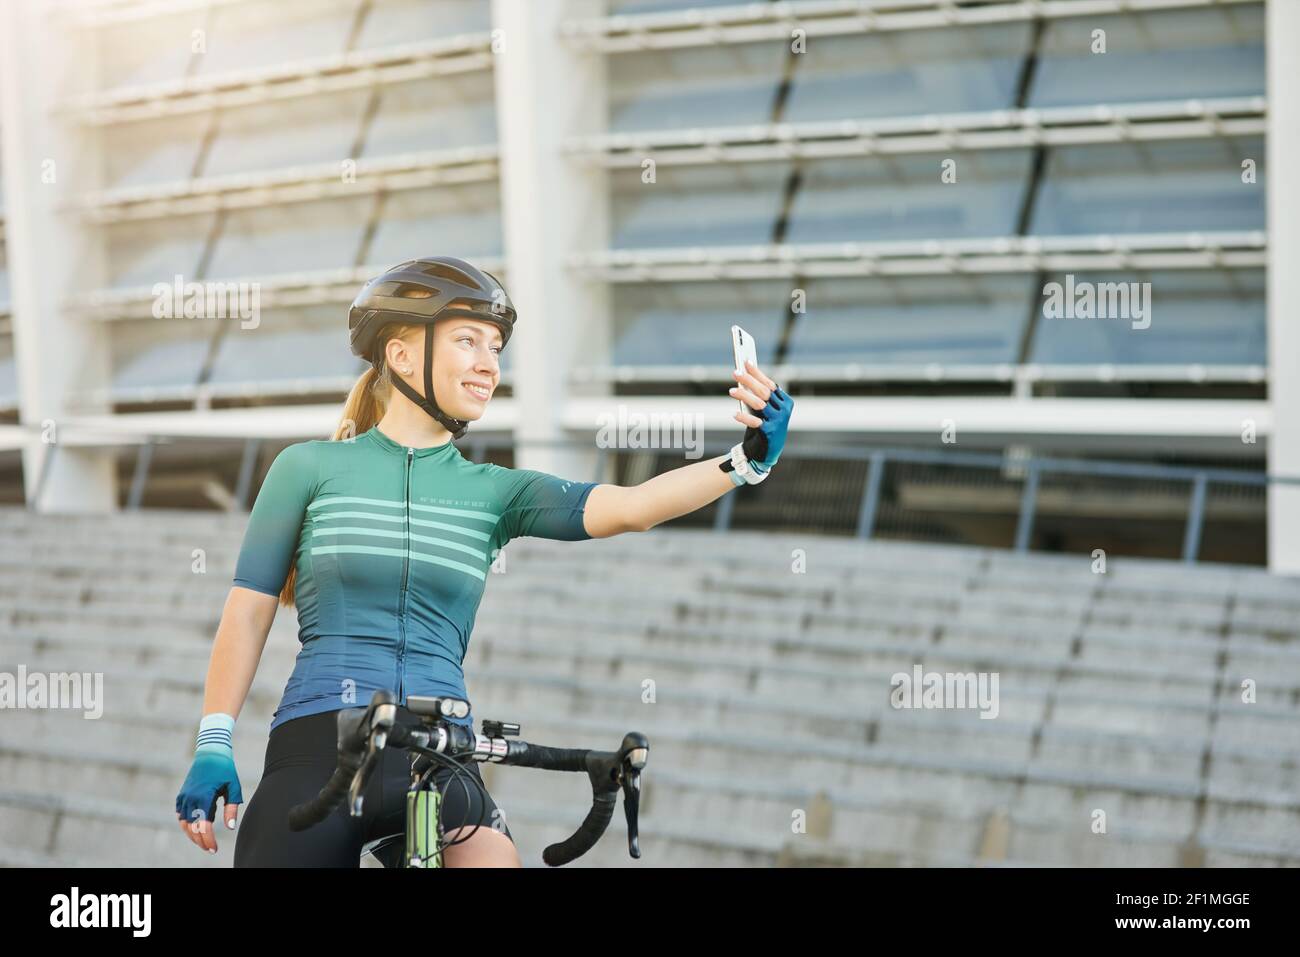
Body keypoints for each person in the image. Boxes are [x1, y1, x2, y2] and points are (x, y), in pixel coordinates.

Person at [174, 255, 794, 867]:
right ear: (402, 353)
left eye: (496, 347)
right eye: (468, 340)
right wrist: (214, 738)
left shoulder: (496, 492)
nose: (488, 364)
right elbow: (249, 612)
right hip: (318, 746)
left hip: (443, 751)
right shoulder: (307, 468)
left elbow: (631, 506)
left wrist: (746, 461)